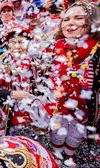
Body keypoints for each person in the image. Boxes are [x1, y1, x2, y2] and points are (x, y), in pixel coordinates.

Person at [50, 2, 100, 166]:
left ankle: (69, 154)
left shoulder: (97, 50)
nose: (70, 23)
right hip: (59, 104)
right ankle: (57, 153)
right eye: (66, 19)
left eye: (78, 18)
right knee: (58, 130)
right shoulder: (56, 47)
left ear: (91, 23)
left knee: (77, 132)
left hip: (84, 106)